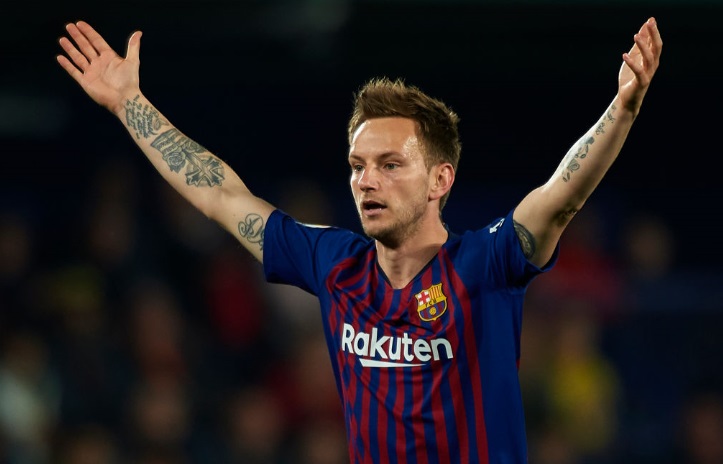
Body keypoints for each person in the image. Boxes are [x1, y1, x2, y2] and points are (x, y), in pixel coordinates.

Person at [56, 16, 662, 463]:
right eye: (357, 166)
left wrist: (625, 107)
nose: (366, 180)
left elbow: (561, 195)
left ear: (440, 180)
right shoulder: (333, 263)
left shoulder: (485, 262)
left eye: (390, 164)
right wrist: (130, 105)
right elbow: (220, 194)